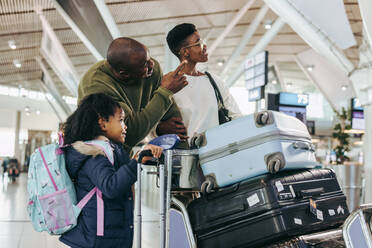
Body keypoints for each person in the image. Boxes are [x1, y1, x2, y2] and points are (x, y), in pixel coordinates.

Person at [59, 93, 163, 248]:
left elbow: (121, 177)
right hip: (98, 239)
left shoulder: (112, 150)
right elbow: (110, 186)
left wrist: (140, 159)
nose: (125, 126)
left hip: (109, 234)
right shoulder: (93, 154)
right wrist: (136, 162)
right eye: (121, 120)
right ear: (102, 123)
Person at [78, 37, 189, 152]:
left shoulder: (151, 70)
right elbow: (130, 134)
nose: (152, 65)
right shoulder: (96, 86)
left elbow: (172, 118)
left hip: (124, 155)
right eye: (144, 65)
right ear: (124, 74)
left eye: (149, 58)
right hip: (100, 154)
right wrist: (165, 92)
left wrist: (186, 156)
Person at [166, 23, 242, 142]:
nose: (204, 46)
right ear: (185, 51)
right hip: (186, 155)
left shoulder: (215, 82)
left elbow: (236, 117)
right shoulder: (169, 84)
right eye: (198, 43)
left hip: (216, 152)